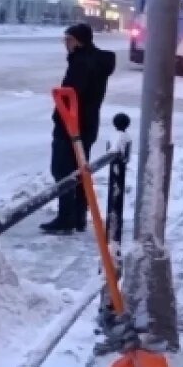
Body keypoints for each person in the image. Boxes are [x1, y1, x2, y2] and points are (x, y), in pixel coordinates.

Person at [41, 23, 116, 235]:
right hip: (88, 124)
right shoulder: (96, 61)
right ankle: (79, 216)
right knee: (80, 170)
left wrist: (60, 116)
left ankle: (66, 217)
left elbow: (71, 95)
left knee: (62, 170)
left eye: (69, 39)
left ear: (79, 41)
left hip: (71, 125)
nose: (66, 44)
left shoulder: (81, 63)